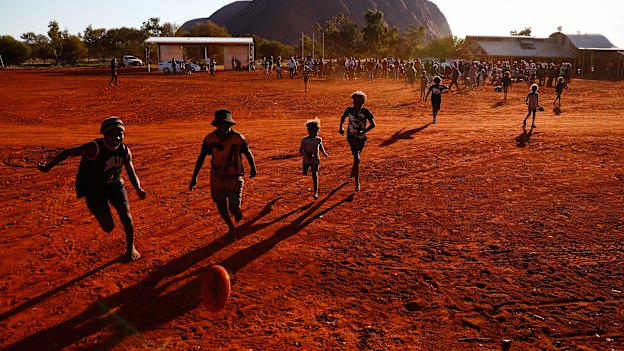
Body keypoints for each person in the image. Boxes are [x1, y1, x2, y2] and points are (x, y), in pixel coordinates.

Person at [37, 117, 146, 261]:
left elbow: (131, 172)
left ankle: (131, 247)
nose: (118, 138)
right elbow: (67, 153)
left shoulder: (124, 151)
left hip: (115, 186)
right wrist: (47, 167)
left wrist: (138, 188)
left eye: (121, 134)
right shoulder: (94, 148)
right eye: (114, 134)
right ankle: (101, 212)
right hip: (94, 189)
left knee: (126, 216)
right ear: (106, 134)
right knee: (108, 227)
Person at [189, 109, 257, 240]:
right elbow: (202, 157)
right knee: (221, 206)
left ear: (230, 125)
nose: (223, 127)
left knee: (234, 207)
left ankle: (236, 211)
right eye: (220, 124)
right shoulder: (209, 139)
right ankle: (231, 227)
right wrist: (194, 177)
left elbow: (247, 153)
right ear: (216, 125)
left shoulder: (238, 138)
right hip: (217, 177)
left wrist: (253, 168)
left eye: (225, 124)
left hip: (234, 177)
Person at [339, 91, 376, 192]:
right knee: (357, 157)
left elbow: (373, 124)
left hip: (361, 138)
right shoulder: (349, 110)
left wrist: (364, 131)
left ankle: (354, 168)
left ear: (362, 103)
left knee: (357, 158)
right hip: (351, 137)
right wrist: (341, 127)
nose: (356, 104)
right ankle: (357, 183)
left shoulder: (366, 111)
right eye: (355, 102)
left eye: (359, 102)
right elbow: (343, 118)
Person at [300, 118, 329, 199]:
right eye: (312, 130)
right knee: (305, 173)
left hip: (315, 160)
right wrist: (306, 155)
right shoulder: (304, 140)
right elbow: (300, 151)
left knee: (314, 175)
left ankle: (315, 192)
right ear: (308, 131)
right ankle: (305, 171)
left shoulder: (318, 139)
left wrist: (324, 153)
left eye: (316, 130)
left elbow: (321, 147)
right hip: (306, 160)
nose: (314, 132)